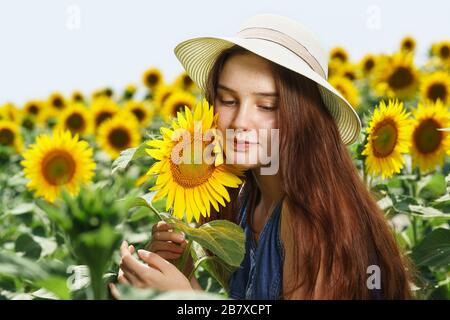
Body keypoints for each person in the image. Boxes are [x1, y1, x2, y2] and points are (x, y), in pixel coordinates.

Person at [114, 14, 414, 299]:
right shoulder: (246, 203)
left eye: (267, 105)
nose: (240, 121)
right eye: (228, 100)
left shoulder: (309, 220)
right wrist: (177, 274)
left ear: (303, 118)